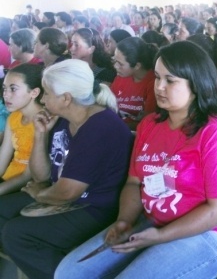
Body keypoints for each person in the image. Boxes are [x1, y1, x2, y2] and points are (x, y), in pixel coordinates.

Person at [55, 41, 217, 278]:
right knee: (70, 273)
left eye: (171, 80)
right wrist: (125, 221)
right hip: (153, 221)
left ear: (196, 84)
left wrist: (161, 236)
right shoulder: (150, 124)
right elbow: (134, 183)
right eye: (157, 77)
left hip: (211, 233)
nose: (159, 87)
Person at [0, 59, 133, 279]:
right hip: (63, 195)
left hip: (93, 208)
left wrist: (39, 193)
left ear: (66, 98)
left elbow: (67, 192)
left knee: (18, 235)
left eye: (47, 94)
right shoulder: (63, 119)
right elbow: (42, 175)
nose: (43, 99)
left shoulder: (100, 127)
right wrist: (40, 134)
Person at [0, 64, 44, 195]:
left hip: (27, 187)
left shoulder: (44, 121)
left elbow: (28, 175)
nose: (6, 95)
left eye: (13, 89)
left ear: (34, 92)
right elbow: (3, 156)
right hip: (7, 179)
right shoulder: (13, 118)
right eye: (4, 89)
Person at [110, 37, 158, 130]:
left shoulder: (153, 84)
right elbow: (108, 104)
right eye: (114, 60)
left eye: (120, 64)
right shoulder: (121, 77)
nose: (115, 66)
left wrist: (115, 127)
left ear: (137, 66)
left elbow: (146, 123)